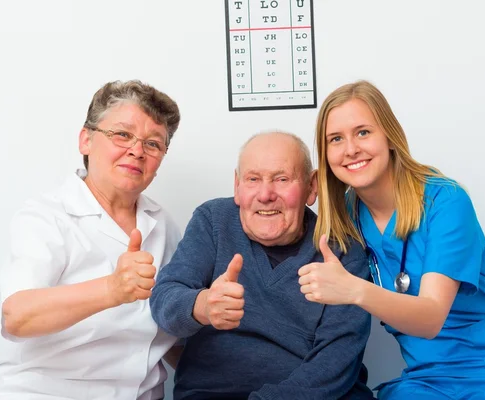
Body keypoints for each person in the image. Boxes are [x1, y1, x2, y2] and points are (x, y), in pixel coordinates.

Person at [297, 80, 485, 399]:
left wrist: (354, 289)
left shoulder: (445, 201)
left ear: (390, 137)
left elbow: (431, 317)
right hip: (428, 380)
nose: (351, 148)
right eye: (335, 139)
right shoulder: (345, 218)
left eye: (363, 132)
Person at [0, 80, 182, 400]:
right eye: (122, 134)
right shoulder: (45, 217)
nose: (137, 151)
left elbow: (170, 331)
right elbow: (17, 316)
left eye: (153, 143)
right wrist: (112, 289)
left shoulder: (164, 226)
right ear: (86, 140)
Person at [150, 132, 375, 400]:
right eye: (253, 179)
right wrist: (202, 305)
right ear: (237, 185)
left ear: (312, 186)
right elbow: (164, 300)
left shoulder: (343, 250)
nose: (265, 195)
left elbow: (337, 361)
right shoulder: (213, 222)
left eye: (281, 179)